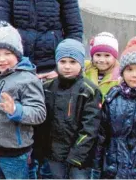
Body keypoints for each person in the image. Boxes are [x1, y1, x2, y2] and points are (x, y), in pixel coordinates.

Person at [0, 25, 46, 179]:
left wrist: (16, 110)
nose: (2, 59)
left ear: (17, 55)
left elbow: (39, 113)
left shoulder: (27, 79)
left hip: (14, 152)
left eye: (7, 53)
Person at [32, 39, 101, 179]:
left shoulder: (89, 91)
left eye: (72, 62)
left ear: (81, 64)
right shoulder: (47, 87)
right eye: (63, 62)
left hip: (79, 159)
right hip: (52, 154)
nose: (67, 67)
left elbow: (90, 128)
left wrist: (76, 156)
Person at [97, 36, 136, 179]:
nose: (134, 74)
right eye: (129, 69)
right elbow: (102, 135)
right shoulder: (113, 96)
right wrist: (96, 167)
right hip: (113, 168)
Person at [85, 32, 120, 97]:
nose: (101, 60)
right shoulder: (84, 70)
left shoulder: (119, 78)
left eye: (107, 55)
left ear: (114, 57)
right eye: (98, 55)